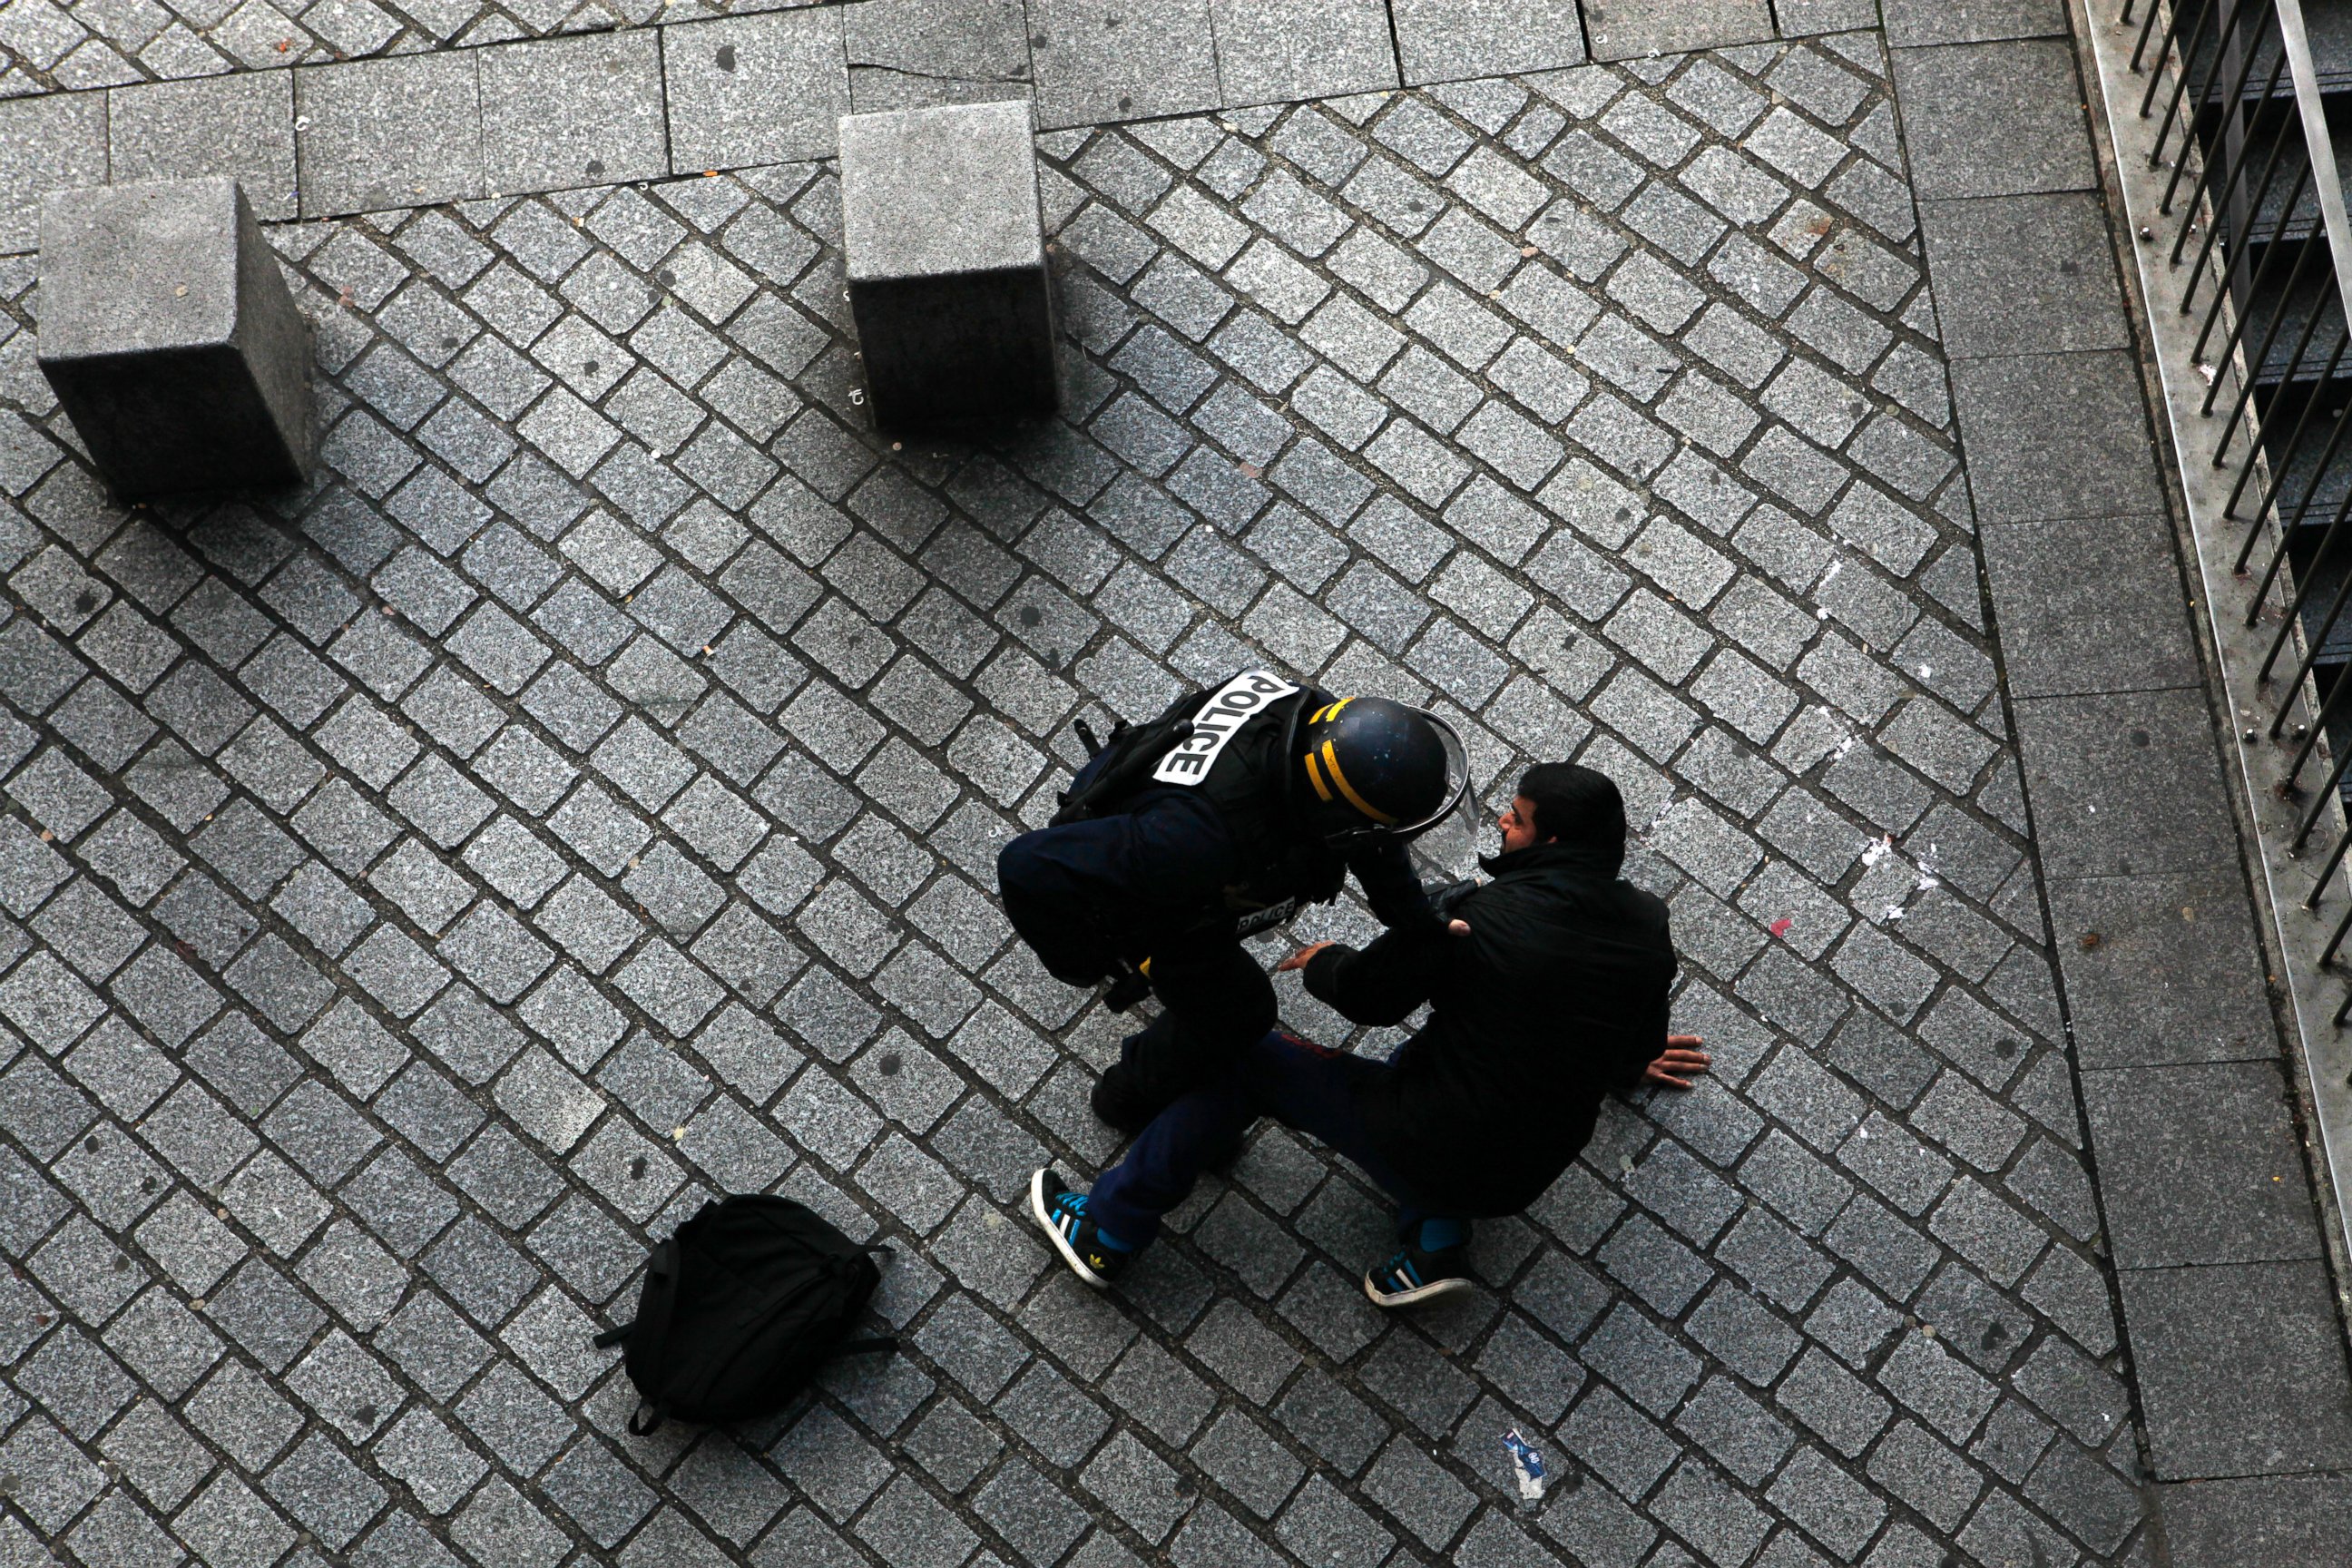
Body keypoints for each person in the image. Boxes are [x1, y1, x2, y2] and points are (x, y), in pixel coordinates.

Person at [1026, 761, 1710, 1307]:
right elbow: (1632, 1041)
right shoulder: (1647, 928)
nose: (1503, 819)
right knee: (1444, 1058)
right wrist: (1635, 1065)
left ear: (1553, 842)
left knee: (1248, 1061)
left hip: (1432, 1136)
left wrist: (1322, 962)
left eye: (1519, 818)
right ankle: (1435, 1236)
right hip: (1529, 1170)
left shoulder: (1478, 917)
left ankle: (1107, 1231)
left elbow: (1369, 996)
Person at [996, 671, 1466, 1132]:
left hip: (1161, 814)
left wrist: (1419, 920)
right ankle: (1124, 1100)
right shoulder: (1194, 842)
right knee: (1240, 1012)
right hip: (1157, 874)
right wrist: (1085, 961)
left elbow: (1371, 842)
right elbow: (1026, 865)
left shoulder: (1322, 722)